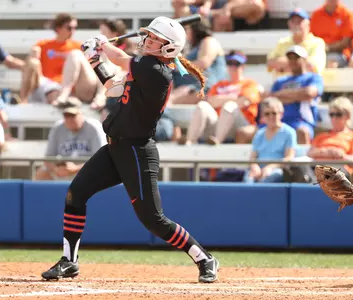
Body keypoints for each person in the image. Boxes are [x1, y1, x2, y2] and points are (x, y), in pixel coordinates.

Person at [41, 16, 219, 283]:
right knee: (75, 194)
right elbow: (113, 88)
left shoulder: (156, 69)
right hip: (115, 147)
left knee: (153, 219)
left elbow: (120, 58)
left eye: (156, 38)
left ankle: (204, 258)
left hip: (137, 151)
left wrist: (100, 45)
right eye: (149, 35)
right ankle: (69, 261)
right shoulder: (145, 68)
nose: (147, 40)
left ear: (169, 48)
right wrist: (94, 60)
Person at [35, 97, 107, 181]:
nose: (69, 119)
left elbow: (101, 160)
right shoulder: (57, 128)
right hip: (65, 170)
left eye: (73, 115)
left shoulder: (94, 127)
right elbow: (48, 159)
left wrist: (76, 169)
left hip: (88, 170)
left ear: (81, 113)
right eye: (66, 116)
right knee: (42, 172)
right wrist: (56, 169)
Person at [244, 97, 297, 183]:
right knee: (248, 180)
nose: (271, 116)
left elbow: (289, 157)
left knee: (267, 180)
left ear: (281, 114)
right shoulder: (259, 133)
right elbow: (253, 157)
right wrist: (254, 167)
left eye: (274, 113)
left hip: (277, 169)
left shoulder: (289, 132)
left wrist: (270, 167)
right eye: (267, 114)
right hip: (258, 169)